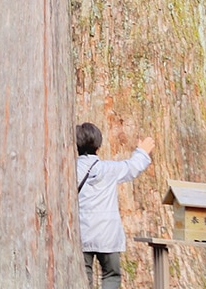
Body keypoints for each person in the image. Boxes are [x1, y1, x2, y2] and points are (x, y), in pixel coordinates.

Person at [76, 122, 153, 288]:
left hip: (81, 233)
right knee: (111, 275)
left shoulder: (69, 168)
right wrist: (142, 152)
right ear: (98, 144)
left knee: (83, 277)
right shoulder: (108, 169)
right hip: (108, 234)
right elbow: (131, 167)